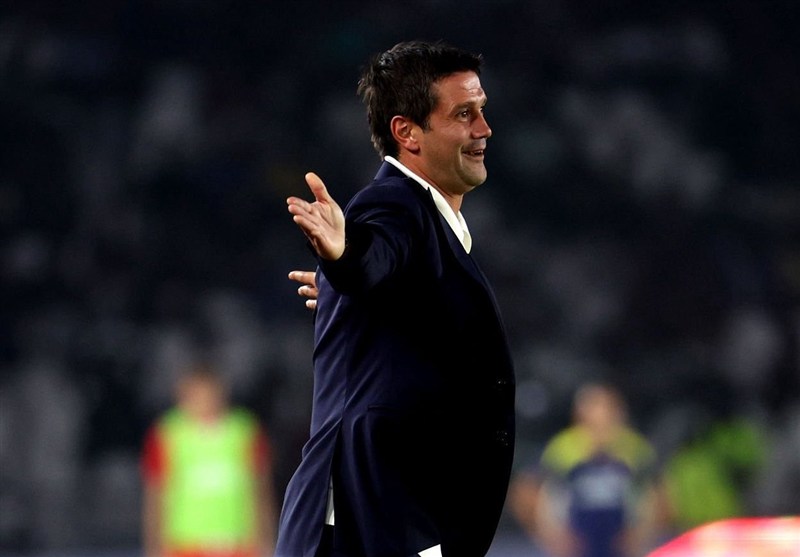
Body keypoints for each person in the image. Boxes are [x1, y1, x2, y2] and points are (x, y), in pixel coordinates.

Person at [278, 40, 516, 557]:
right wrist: (346, 260)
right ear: (407, 132)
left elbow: (386, 278)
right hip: (373, 522)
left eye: (481, 110)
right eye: (463, 114)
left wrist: (351, 292)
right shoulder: (395, 204)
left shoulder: (431, 229)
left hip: (391, 520)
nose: (484, 129)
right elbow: (374, 255)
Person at [508, 383, 667, 557]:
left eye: (607, 409)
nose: (600, 417)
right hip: (578, 542)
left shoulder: (634, 448)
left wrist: (642, 535)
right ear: (580, 414)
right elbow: (524, 491)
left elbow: (661, 494)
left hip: (622, 542)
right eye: (593, 409)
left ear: (619, 412)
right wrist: (550, 537)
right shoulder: (564, 448)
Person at [141, 364, 278, 557]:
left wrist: (268, 537)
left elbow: (261, 488)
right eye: (197, 395)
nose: (204, 402)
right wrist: (152, 545)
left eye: (209, 394)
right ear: (183, 396)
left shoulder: (245, 430)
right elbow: (155, 493)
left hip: (239, 543)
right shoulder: (166, 433)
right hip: (184, 544)